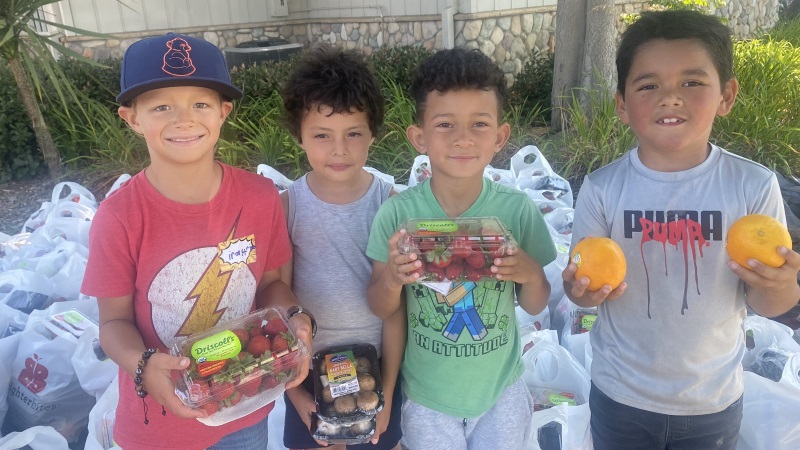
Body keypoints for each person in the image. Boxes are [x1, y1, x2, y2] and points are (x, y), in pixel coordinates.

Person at [562, 10, 800, 450]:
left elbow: (772, 303)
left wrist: (782, 283)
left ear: (726, 95)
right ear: (621, 103)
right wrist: (583, 291)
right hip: (620, 394)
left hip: (711, 401)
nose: (670, 97)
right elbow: (580, 288)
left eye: (692, 82)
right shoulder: (602, 189)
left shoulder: (752, 186)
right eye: (648, 85)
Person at [81, 33, 313, 450]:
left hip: (244, 407)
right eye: (161, 106)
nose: (183, 119)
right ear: (131, 118)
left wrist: (294, 315)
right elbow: (113, 324)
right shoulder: (118, 218)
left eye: (200, 104)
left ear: (223, 112)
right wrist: (144, 365)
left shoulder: (259, 198)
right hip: (160, 425)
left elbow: (272, 285)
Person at [365, 48, 557, 449]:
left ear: (501, 137)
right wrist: (394, 280)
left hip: (500, 393)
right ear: (419, 137)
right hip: (428, 400)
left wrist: (529, 272)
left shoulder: (516, 210)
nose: (463, 138)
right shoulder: (397, 214)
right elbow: (383, 308)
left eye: (479, 124)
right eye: (445, 124)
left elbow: (537, 304)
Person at [279, 46, 404, 450]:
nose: (339, 149)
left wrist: (385, 394)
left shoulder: (389, 204)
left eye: (353, 133)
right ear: (299, 135)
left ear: (373, 134)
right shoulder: (287, 206)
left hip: (377, 370)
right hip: (307, 375)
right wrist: (296, 394)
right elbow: (277, 306)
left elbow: (397, 307)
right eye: (321, 135)